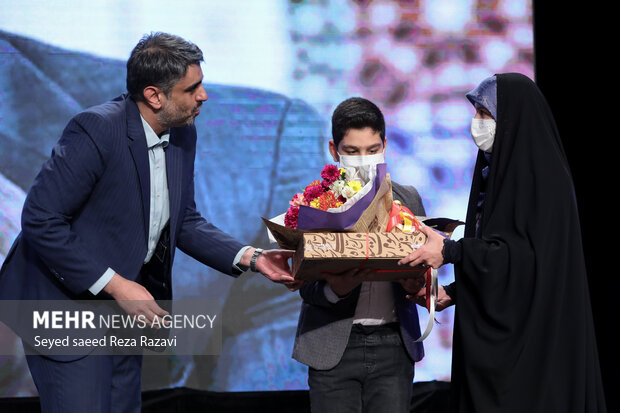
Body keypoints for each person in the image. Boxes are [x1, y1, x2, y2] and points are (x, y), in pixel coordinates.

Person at [0, 32, 300, 413]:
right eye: (192, 88)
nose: (204, 95)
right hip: (66, 305)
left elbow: (185, 222)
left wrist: (252, 257)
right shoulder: (96, 129)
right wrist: (118, 286)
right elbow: (41, 219)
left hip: (128, 311)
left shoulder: (182, 134)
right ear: (155, 95)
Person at [399, 73, 606, 412]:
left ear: (513, 120)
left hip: (535, 351)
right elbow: (502, 252)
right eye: (476, 113)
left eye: (485, 114)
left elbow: (526, 260)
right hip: (507, 346)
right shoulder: (496, 175)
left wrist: (451, 251)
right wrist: (455, 292)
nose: (476, 123)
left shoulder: (545, 180)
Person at [293, 97, 426, 413]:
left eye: (372, 150)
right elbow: (303, 281)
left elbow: (424, 270)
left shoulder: (408, 198)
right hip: (333, 344)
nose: (363, 159)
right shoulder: (315, 201)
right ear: (333, 150)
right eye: (352, 152)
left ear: (385, 146)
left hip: (394, 345)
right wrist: (334, 290)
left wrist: (415, 283)